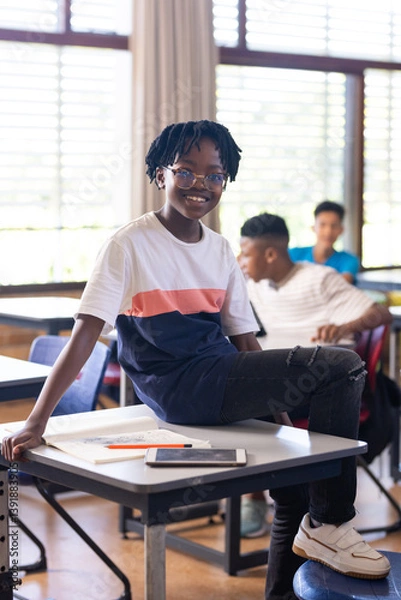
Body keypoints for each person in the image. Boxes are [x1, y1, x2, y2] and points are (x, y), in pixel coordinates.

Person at [1, 120, 391, 600]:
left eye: (214, 175)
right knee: (343, 364)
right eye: (186, 172)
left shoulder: (221, 249)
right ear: (160, 174)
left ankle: (293, 574)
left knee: (292, 491)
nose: (200, 185)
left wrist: (285, 426)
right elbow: (83, 337)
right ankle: (331, 523)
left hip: (218, 373)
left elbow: (244, 340)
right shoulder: (129, 244)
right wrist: (36, 420)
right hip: (179, 387)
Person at [238, 212, 393, 542]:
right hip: (275, 378)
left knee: (245, 410)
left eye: (246, 253)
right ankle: (265, 498)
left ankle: (260, 500)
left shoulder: (321, 278)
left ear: (269, 254)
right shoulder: (252, 285)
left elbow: (380, 313)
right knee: (226, 397)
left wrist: (345, 327)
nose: (241, 260)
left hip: (321, 388)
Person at [289, 200, 360, 283]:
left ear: (341, 230)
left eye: (334, 226)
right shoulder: (292, 254)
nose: (328, 232)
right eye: (322, 225)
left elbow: (340, 287)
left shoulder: (349, 260)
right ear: (313, 227)